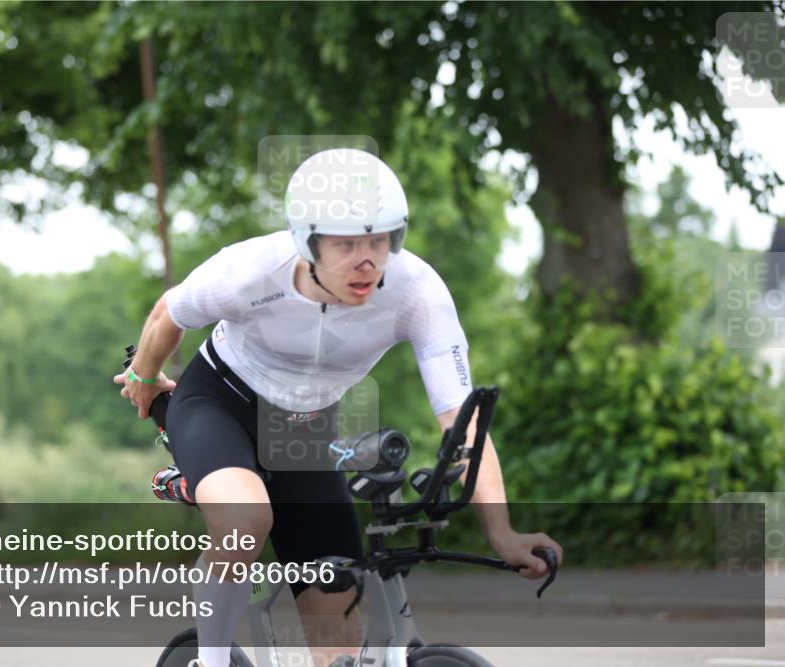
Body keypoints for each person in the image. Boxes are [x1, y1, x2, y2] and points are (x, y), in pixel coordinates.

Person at [115, 148, 563, 667]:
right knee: (246, 518)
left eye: (380, 240)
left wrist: (501, 532)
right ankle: (210, 661)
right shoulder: (253, 270)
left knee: (341, 642)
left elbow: (463, 422)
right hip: (220, 401)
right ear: (307, 242)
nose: (367, 261)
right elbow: (168, 311)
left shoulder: (417, 292)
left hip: (302, 431)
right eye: (346, 245)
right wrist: (146, 377)